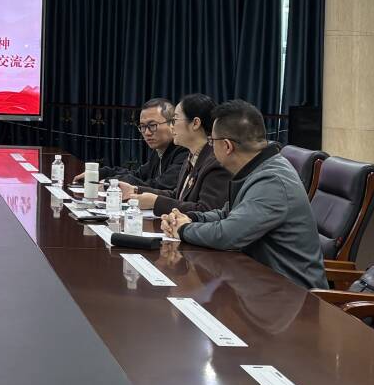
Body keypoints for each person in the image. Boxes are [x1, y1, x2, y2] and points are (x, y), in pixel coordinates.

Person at [161, 100, 327, 290]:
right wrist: (191, 218)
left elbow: (228, 234)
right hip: (260, 283)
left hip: (292, 295)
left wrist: (184, 229)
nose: (210, 147)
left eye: (212, 141)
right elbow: (227, 214)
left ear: (227, 146)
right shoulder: (255, 169)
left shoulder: (272, 181)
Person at [120, 94, 230, 216]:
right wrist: (136, 190)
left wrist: (155, 202)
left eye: (175, 120)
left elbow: (206, 211)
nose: (171, 127)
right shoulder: (192, 157)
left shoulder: (216, 161)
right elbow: (178, 195)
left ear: (195, 123)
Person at [75, 98, 188, 192]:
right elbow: (138, 175)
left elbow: (159, 186)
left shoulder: (184, 151)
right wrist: (100, 173)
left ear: (172, 123)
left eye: (152, 125)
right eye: (142, 126)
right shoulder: (160, 151)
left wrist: (110, 183)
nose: (147, 132)